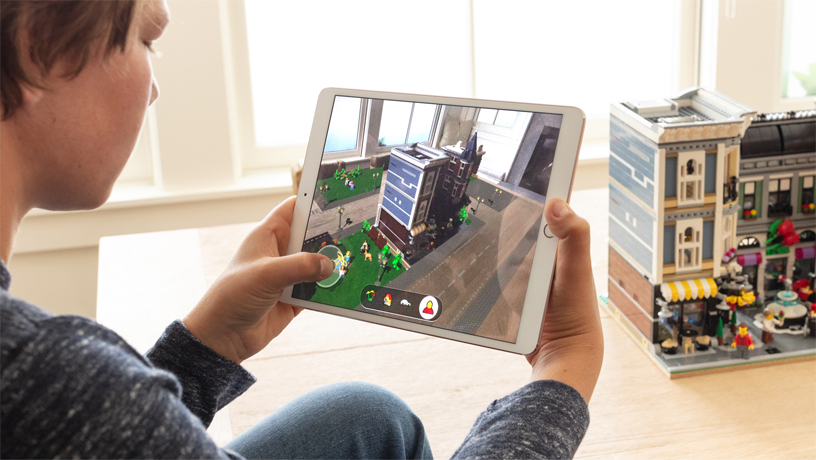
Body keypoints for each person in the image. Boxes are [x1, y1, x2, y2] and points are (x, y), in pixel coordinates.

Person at [0, 1, 604, 458]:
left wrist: (208, 344)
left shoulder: (54, 382)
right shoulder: (54, 377)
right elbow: (105, 420)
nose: (154, 87)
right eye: (147, 40)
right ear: (38, 47)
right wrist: (563, 375)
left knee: (368, 417)